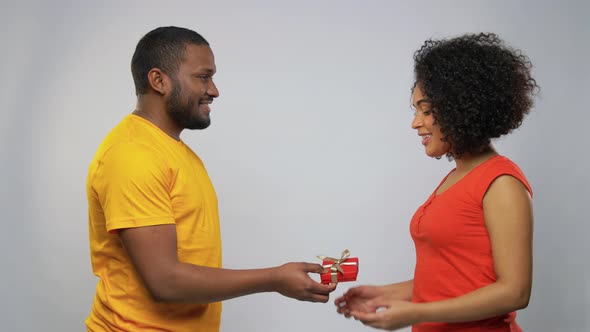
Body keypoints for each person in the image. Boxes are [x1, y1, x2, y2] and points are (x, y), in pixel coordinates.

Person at [85, 26, 336, 332]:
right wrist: (275, 278)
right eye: (203, 77)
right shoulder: (132, 155)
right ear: (159, 81)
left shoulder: (175, 152)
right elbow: (165, 282)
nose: (214, 90)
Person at [335, 33, 538, 331]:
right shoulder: (456, 177)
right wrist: (385, 293)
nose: (415, 123)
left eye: (426, 110)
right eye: (415, 110)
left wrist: (414, 313)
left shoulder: (501, 183)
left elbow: (515, 292)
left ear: (461, 108)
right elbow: (453, 280)